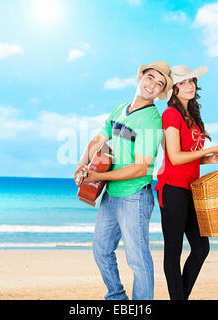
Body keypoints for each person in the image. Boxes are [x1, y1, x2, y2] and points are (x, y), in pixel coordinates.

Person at [74, 61, 173, 300]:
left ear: (161, 93)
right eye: (150, 78)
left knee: (138, 259)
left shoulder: (151, 121)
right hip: (111, 194)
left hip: (135, 197)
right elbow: (98, 139)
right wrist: (81, 164)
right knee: (101, 250)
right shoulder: (120, 110)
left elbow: (140, 168)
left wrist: (98, 176)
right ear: (140, 76)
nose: (153, 85)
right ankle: (117, 299)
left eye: (160, 84)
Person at [154, 65, 218, 300]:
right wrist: (207, 151)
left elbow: (188, 155)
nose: (188, 86)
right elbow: (175, 157)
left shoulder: (192, 116)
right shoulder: (171, 115)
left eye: (191, 82)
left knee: (201, 248)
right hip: (173, 189)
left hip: (191, 189)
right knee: (173, 252)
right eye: (182, 83)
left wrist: (208, 158)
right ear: (174, 89)